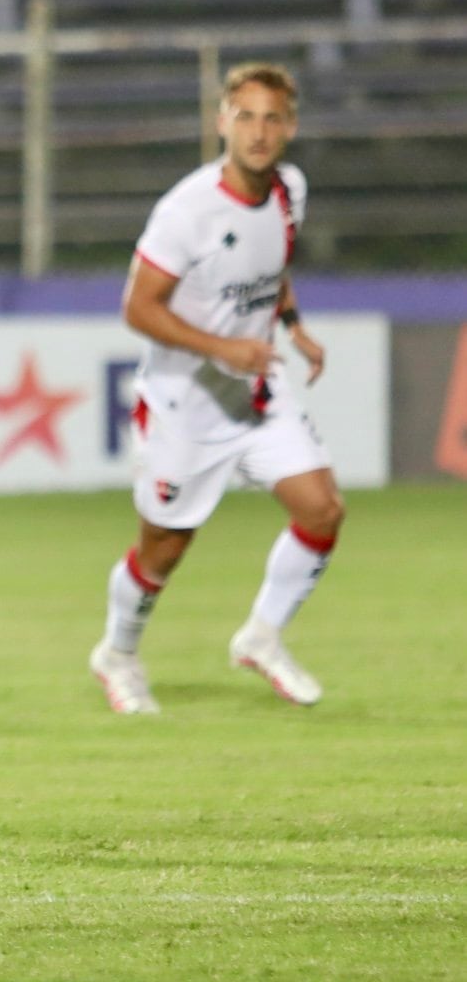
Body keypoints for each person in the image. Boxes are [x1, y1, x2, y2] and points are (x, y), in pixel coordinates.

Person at [88, 62, 339, 715]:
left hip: (256, 393)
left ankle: (261, 636)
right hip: (185, 402)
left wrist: (294, 327)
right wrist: (224, 348)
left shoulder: (289, 191)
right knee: (164, 547)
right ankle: (117, 653)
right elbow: (139, 308)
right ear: (222, 121)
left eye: (272, 118)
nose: (259, 131)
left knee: (321, 509)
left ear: (291, 126)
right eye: (246, 116)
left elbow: (268, 269)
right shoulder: (186, 211)